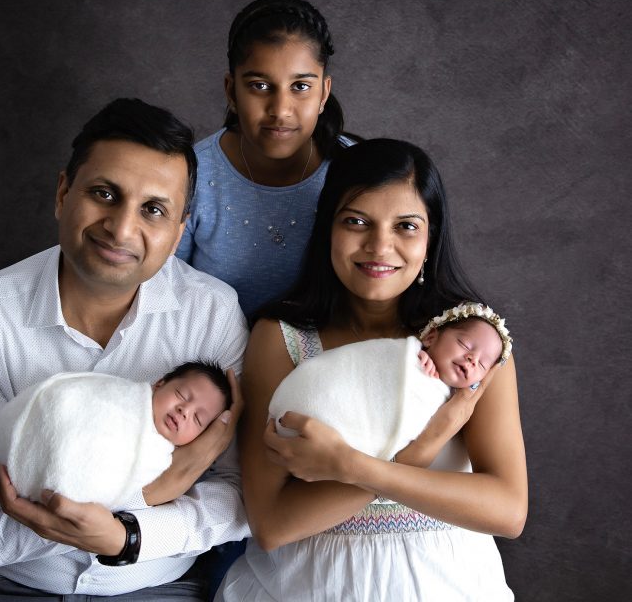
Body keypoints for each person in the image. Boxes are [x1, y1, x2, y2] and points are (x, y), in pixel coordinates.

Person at [0, 97, 250, 601]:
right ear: (64, 192)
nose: (122, 229)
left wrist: (130, 539)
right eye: (104, 193)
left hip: (155, 586)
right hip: (2, 585)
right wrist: (154, 492)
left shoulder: (212, 315)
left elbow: (238, 500)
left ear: (178, 231)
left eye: (153, 210)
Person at [216, 138, 527, 601]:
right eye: (356, 221)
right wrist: (419, 452)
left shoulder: (473, 343)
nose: (380, 246)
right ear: (328, 230)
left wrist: (352, 467)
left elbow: (508, 511)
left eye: (406, 226)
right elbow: (272, 525)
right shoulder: (281, 338)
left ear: (430, 238)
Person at [175, 0, 361, 318]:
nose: (280, 110)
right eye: (260, 86)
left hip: (328, 357)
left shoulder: (358, 171)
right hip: (208, 358)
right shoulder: (189, 173)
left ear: (324, 93)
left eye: (300, 87)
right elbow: (163, 291)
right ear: (232, 91)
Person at [268, 301, 513, 464]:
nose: (472, 359)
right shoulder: (408, 357)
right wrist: (412, 359)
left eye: (482, 364)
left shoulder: (466, 403)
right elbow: (368, 375)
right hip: (309, 414)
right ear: (430, 336)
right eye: (465, 345)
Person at [0, 361, 232, 509]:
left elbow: (128, 488)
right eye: (181, 395)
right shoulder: (121, 396)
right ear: (159, 383)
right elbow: (73, 400)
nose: (184, 411)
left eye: (198, 419)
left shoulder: (161, 457)